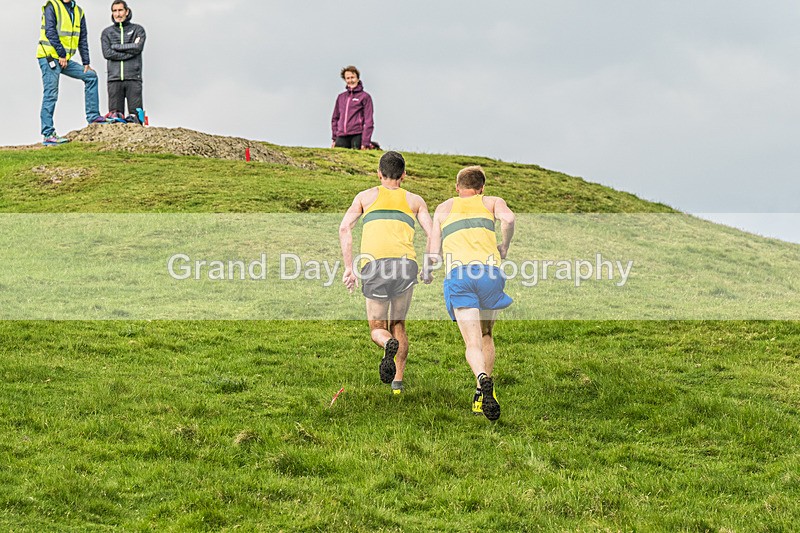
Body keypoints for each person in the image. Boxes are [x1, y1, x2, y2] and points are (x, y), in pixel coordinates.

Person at [423, 166, 516, 421]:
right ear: (481, 187)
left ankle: (481, 379)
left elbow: (433, 252)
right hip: (490, 274)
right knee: (486, 334)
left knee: (472, 342)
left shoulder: (444, 208)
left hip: (459, 276)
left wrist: (428, 271)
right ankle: (483, 393)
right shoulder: (492, 202)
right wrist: (504, 247)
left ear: (457, 188)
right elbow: (508, 219)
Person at [339, 151, 432, 394]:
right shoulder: (415, 200)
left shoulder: (365, 197)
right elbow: (433, 233)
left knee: (377, 327)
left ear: (379, 174)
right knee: (398, 322)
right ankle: (397, 383)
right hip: (406, 266)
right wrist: (429, 265)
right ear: (404, 175)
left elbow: (344, 228)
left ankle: (386, 342)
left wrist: (349, 268)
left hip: (375, 265)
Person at [36, 0, 107, 146]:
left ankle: (93, 116)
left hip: (64, 59)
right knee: (51, 93)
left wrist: (86, 62)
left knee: (91, 76)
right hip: (49, 56)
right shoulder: (52, 6)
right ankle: (48, 134)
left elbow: (83, 38)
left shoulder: (78, 11)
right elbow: (50, 31)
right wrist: (61, 54)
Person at [101, 1, 146, 119]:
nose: (118, 14)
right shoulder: (107, 33)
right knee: (115, 119)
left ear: (127, 11)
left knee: (136, 118)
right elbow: (107, 54)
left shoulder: (138, 29)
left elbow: (138, 48)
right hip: (114, 79)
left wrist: (116, 47)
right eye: (115, 11)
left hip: (133, 78)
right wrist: (130, 51)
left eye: (120, 10)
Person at [330, 65, 375, 150]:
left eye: (352, 77)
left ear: (357, 78)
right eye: (348, 78)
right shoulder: (341, 97)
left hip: (357, 135)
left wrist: (365, 142)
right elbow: (335, 118)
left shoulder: (365, 97)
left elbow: (369, 121)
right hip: (341, 135)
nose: (350, 80)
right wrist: (334, 138)